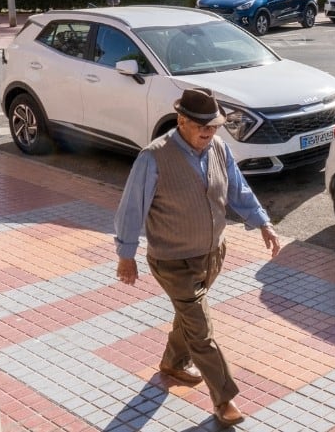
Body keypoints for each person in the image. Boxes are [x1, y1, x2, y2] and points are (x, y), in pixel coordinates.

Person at [114, 88, 280, 428]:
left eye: (214, 126)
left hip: (212, 255)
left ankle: (173, 363)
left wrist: (263, 223)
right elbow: (131, 209)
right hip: (172, 261)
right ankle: (224, 399)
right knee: (201, 330)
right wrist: (126, 254)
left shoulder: (218, 148)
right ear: (181, 121)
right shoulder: (153, 157)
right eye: (202, 126)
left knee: (188, 316)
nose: (209, 132)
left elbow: (238, 189)